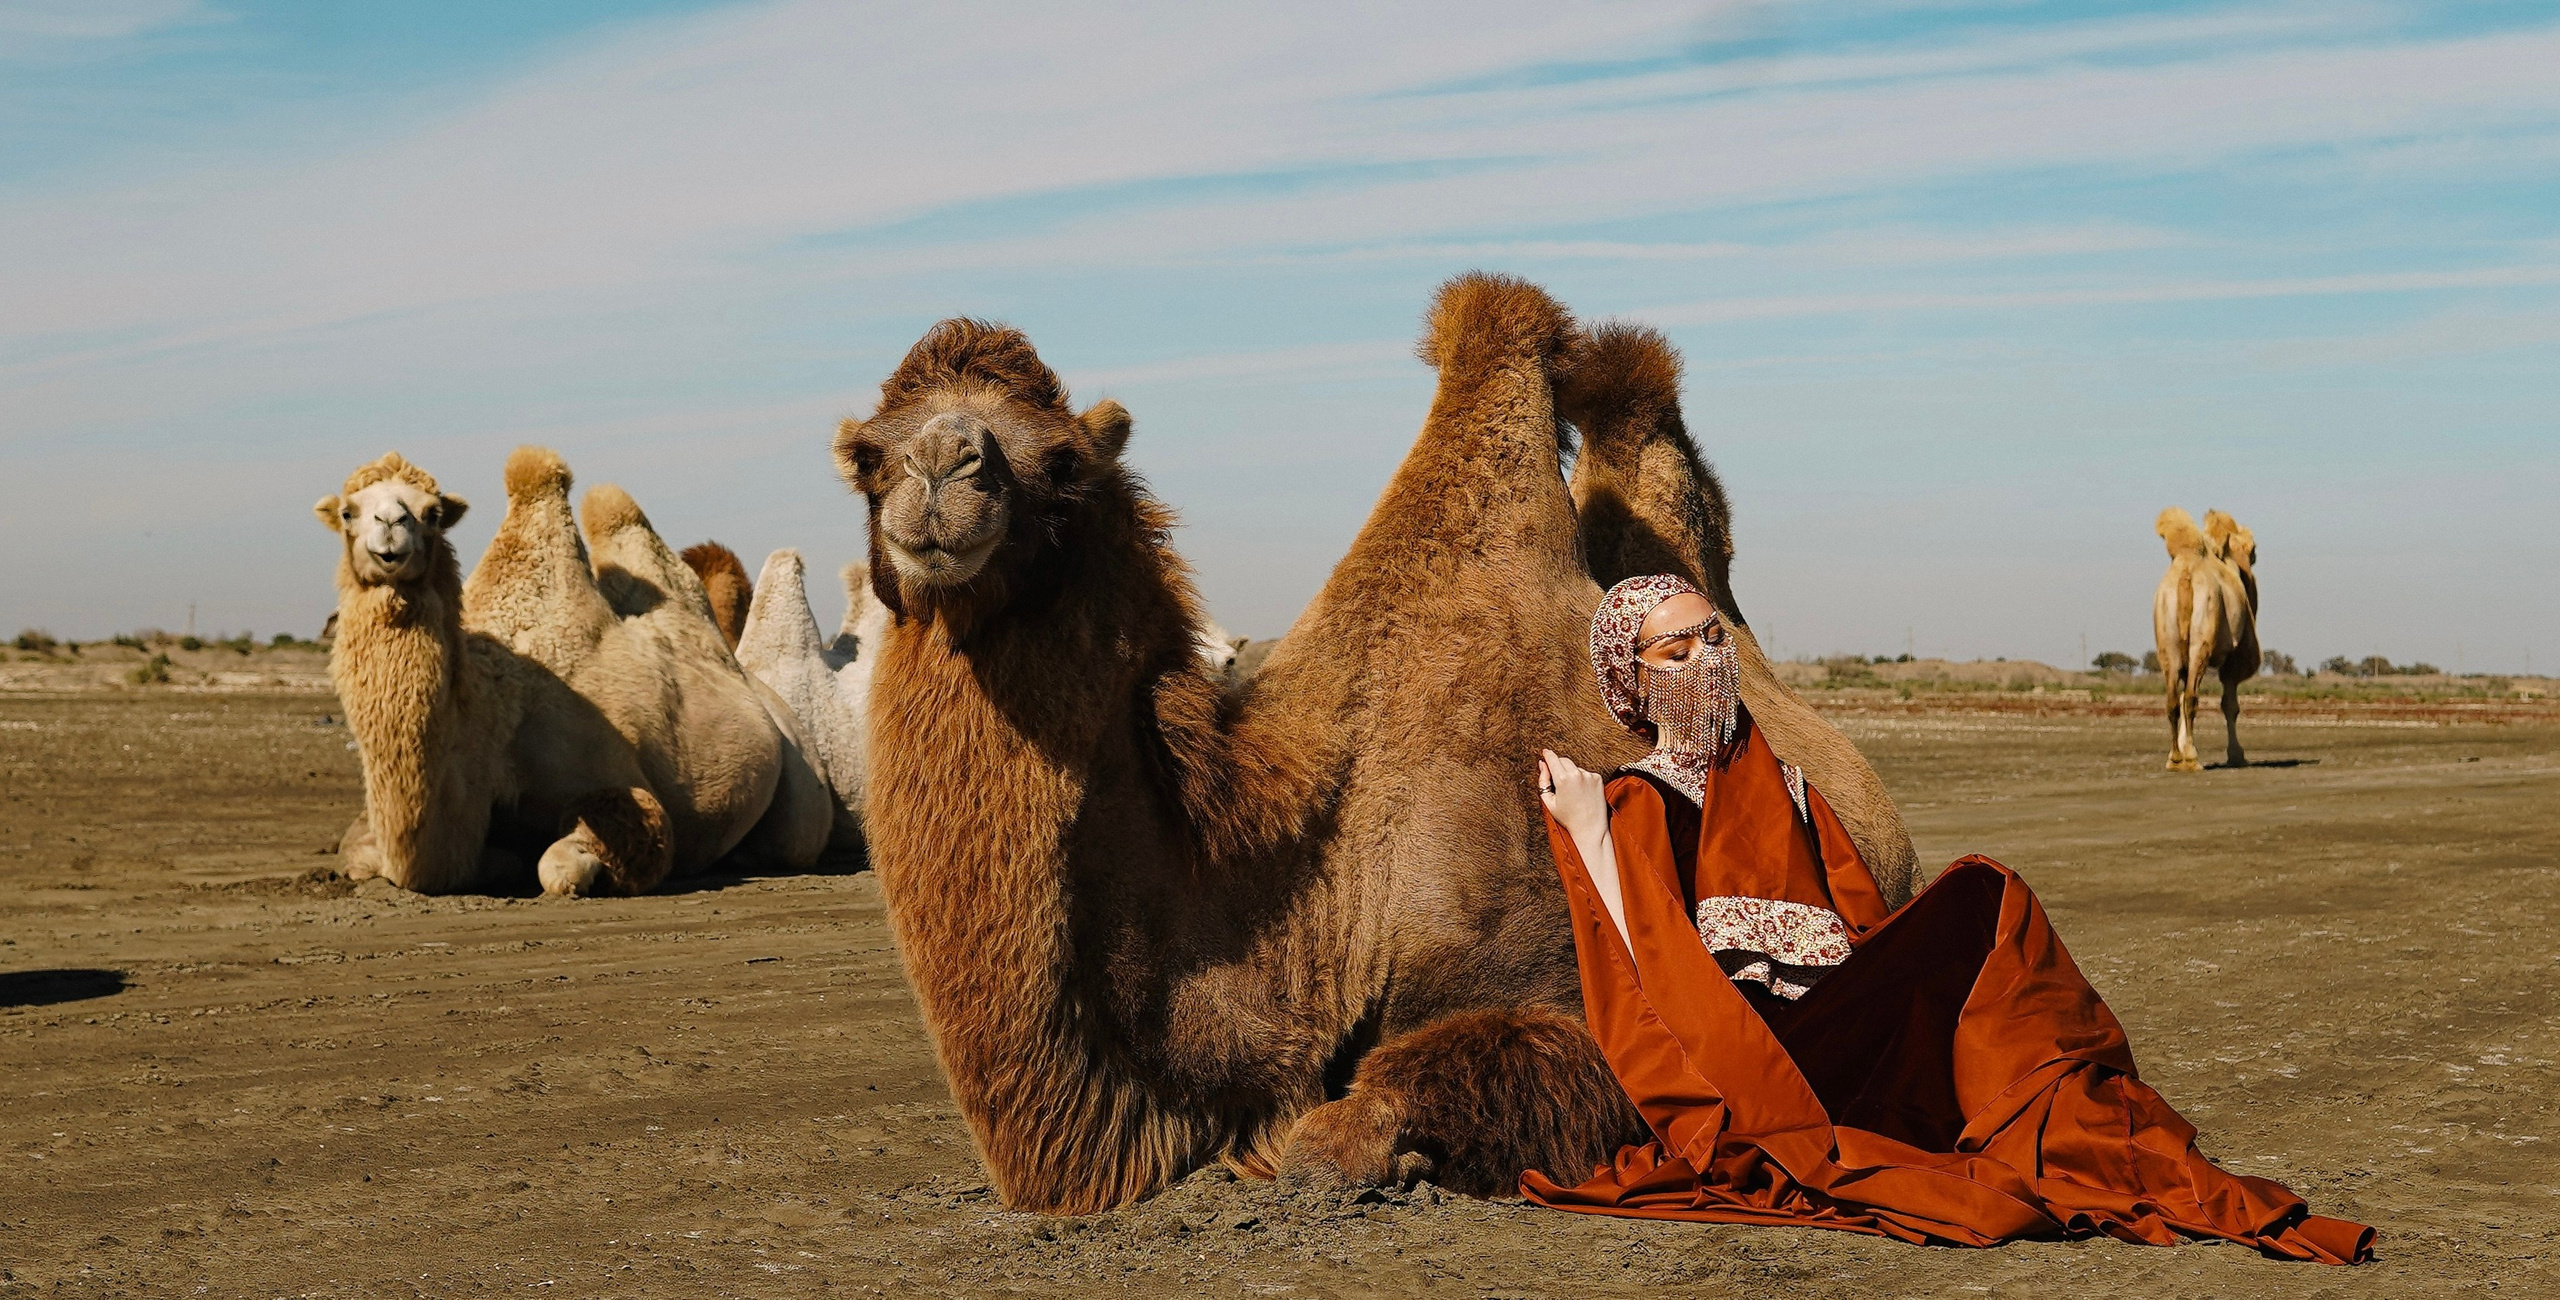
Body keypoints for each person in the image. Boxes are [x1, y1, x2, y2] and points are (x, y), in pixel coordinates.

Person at [1522, 574, 2371, 1263]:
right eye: (1678, 650)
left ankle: (2069, 1111)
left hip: (1844, 1029)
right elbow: (1642, 970)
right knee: (1981, 892)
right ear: (1634, 681)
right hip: (1760, 1057)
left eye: (1716, 638)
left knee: (1987, 901)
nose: (1707, 659)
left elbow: (1863, 928)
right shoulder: (1634, 799)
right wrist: (1592, 835)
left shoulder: (1789, 786)